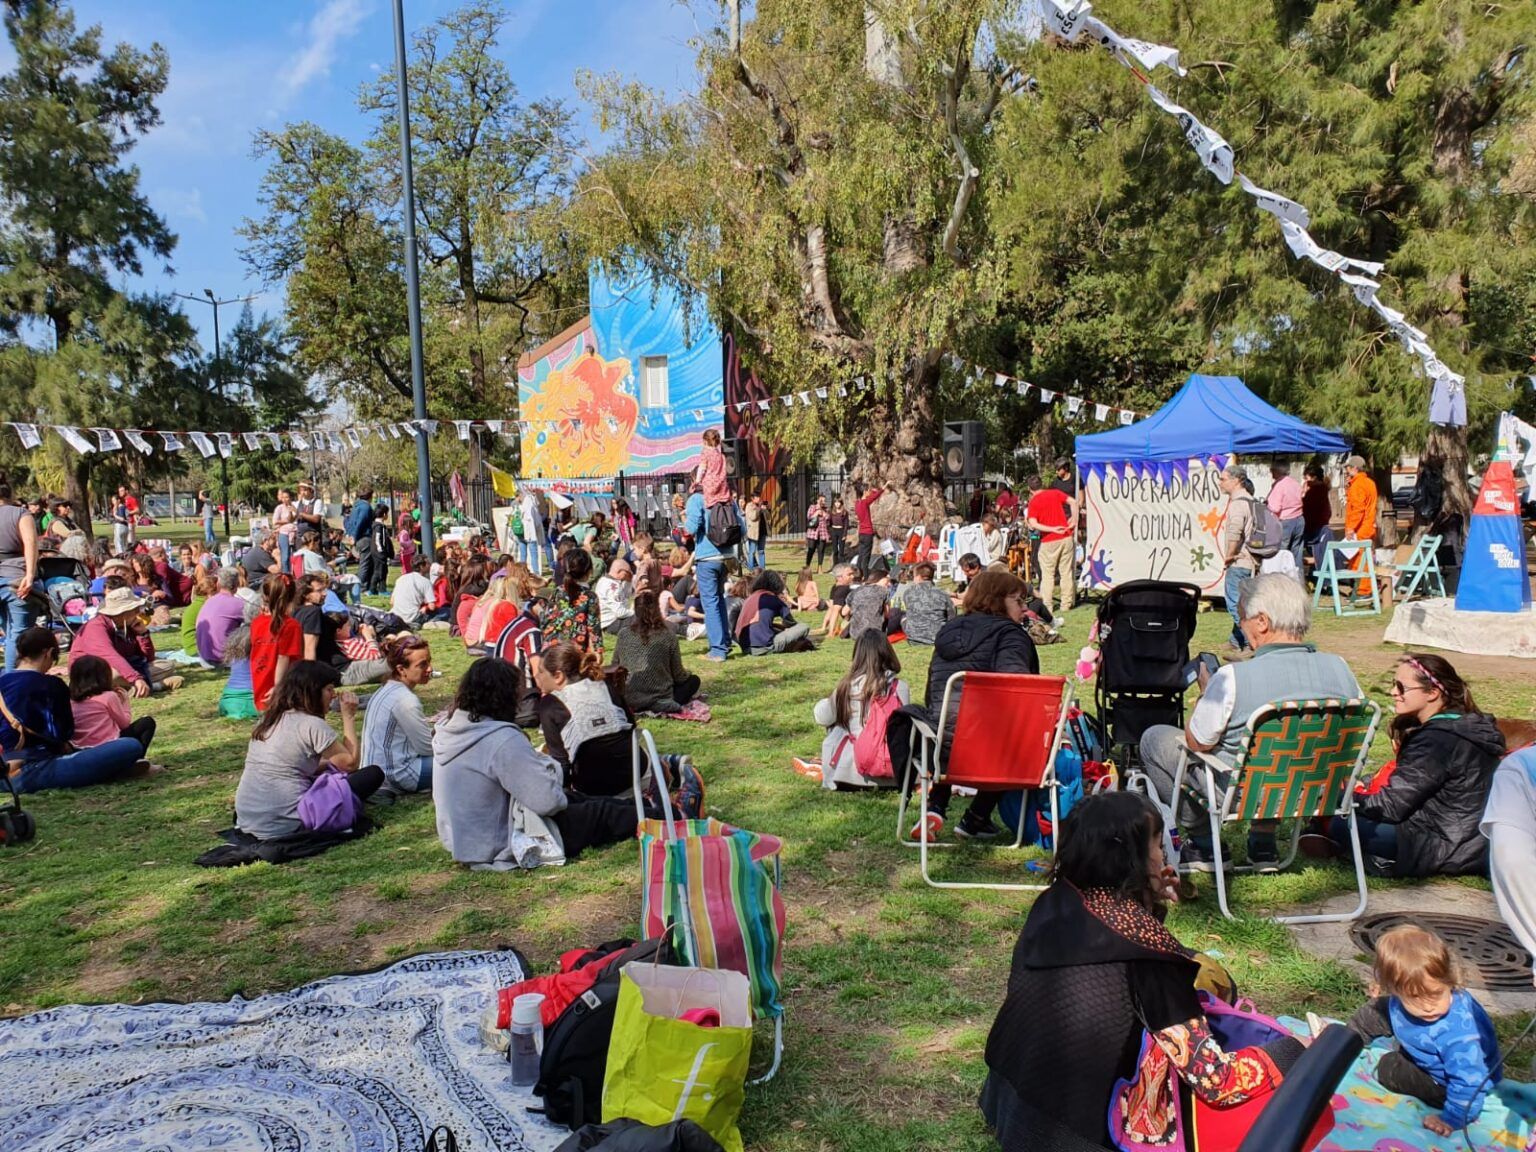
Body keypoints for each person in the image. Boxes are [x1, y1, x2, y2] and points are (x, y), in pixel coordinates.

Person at [980, 791, 1301, 1150]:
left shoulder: (1054, 901)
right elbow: (1214, 1078)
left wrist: (1148, 903)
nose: (1164, 856)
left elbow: (1110, 967)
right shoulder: (1148, 953)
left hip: (1010, 1102)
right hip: (1075, 1135)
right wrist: (1294, 1051)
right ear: (1130, 858)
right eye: (1158, 846)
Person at [1138, 572, 1360, 870]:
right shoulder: (1341, 669)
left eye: (1241, 617)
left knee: (1154, 739)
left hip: (1244, 794)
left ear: (1262, 622)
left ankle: (1205, 844)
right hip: (1316, 790)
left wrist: (1207, 695)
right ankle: (1263, 844)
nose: (1240, 626)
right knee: (1279, 754)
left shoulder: (1233, 679)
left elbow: (1197, 741)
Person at [1307, 653, 1503, 877]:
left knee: (1342, 824)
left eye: (1402, 687)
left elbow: (1389, 807)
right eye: (1393, 685)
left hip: (1441, 846)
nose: (1393, 693)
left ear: (1432, 693)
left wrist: (1334, 795)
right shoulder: (1470, 726)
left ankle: (1360, 850)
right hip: (1476, 843)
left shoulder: (1436, 741)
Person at [434, 658, 638, 869]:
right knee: (599, 812)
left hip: (462, 840)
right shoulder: (501, 739)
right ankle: (661, 816)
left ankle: (648, 807)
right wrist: (549, 771)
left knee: (585, 801)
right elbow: (548, 801)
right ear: (505, 697)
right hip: (503, 841)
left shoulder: (450, 732)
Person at [899, 570, 1040, 843]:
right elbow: (1020, 693)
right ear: (998, 600)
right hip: (990, 751)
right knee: (1017, 733)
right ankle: (975, 818)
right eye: (1019, 601)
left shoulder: (947, 633)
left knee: (959, 725)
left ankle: (938, 806)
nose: (1025, 609)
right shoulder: (1010, 636)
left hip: (940, 747)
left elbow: (932, 693)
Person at [1345, 924, 1500, 1139]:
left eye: (1436, 994)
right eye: (1415, 997)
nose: (1428, 1006)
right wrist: (1347, 1037)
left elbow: (1470, 1081)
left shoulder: (1460, 1034)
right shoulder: (1400, 1000)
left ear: (1450, 980)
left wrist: (1452, 1119)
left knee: (1389, 1066)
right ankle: (1343, 1041)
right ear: (1395, 989)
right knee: (1375, 1012)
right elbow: (1379, 1009)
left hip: (1445, 1084)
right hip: (1427, 1055)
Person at [233, 661, 383, 840]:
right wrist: (348, 717)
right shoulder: (311, 724)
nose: (334, 695)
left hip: (248, 819)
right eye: (329, 689)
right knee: (372, 774)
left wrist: (327, 765)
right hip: (289, 823)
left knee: (329, 771)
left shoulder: (269, 718)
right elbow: (350, 764)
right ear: (312, 691)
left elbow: (291, 763)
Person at [0, 627, 152, 791]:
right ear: (49, 653)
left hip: (4, 769)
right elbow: (63, 733)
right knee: (130, 746)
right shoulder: (52, 685)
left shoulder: (2, 683)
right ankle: (118, 769)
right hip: (37, 768)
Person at [534, 639, 635, 795]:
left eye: (541, 671)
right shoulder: (605, 686)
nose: (536, 676)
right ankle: (670, 764)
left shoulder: (549, 703)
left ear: (558, 676)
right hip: (637, 773)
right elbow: (632, 727)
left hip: (593, 788)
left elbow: (561, 763)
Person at [810, 630, 908, 789]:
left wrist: (828, 700)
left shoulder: (848, 687)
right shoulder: (900, 687)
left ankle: (831, 766)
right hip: (895, 770)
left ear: (858, 655)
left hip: (852, 776)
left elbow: (822, 717)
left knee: (837, 724)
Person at [360, 634, 436, 799]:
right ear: (401, 669)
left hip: (375, 771)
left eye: (429, 661)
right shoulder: (405, 700)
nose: (429, 668)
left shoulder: (385, 689)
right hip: (397, 775)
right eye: (423, 665)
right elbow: (428, 748)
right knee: (462, 759)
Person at [70, 586, 183, 695]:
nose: (137, 612)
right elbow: (110, 656)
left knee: (167, 665)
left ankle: (136, 687)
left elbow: (147, 658)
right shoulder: (95, 628)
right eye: (134, 609)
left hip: (124, 667)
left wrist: (143, 634)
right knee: (114, 674)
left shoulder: (127, 625)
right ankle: (150, 687)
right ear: (123, 612)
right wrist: (135, 678)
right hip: (89, 675)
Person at [613, 592, 701, 715]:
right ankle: (661, 702)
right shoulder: (668, 636)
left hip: (629, 696)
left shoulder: (623, 634)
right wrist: (688, 674)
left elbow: (615, 665)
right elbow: (679, 676)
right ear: (657, 609)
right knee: (694, 681)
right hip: (660, 698)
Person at [295, 573, 389, 685]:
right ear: (305, 594)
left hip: (341, 667)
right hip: (343, 671)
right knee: (398, 665)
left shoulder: (296, 612)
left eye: (324, 590)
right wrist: (312, 682)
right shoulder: (312, 613)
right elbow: (309, 649)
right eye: (319, 591)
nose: (324, 594)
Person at [684, 484, 742, 662]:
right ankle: (725, 641)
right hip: (726, 557)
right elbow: (742, 527)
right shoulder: (727, 498)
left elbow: (692, 528)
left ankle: (717, 650)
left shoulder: (697, 499)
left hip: (707, 557)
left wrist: (684, 521)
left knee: (710, 603)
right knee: (719, 599)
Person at [68, 654, 156, 754]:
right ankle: (136, 761)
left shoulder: (70, 700)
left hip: (80, 750)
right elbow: (124, 724)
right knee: (147, 722)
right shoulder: (108, 697)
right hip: (109, 746)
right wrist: (125, 701)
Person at [1216, 464, 1263, 650]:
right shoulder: (1252, 501)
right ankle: (1236, 641)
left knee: (1235, 605)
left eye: (1223, 479)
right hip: (1251, 561)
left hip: (1239, 562)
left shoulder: (1238, 504)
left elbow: (1235, 531)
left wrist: (1229, 555)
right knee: (1244, 603)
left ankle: (1255, 642)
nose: (1220, 483)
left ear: (1236, 481)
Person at [0, 479, 41, 672]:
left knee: (8, 633)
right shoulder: (20, 514)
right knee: (18, 634)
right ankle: (10, 682)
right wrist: (30, 575)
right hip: (17, 579)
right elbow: (30, 544)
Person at [250, 574, 303, 712]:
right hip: (286, 686)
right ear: (293, 597)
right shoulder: (291, 625)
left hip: (261, 681)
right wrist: (278, 688)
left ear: (264, 597)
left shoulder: (256, 623)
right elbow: (283, 658)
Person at [1025, 474, 1075, 617]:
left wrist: (1051, 529)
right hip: (1066, 537)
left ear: (1030, 489)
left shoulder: (1034, 502)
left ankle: (1048, 605)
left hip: (1049, 540)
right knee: (1066, 572)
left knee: (1047, 575)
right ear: (1042, 484)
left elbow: (1033, 524)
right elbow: (1073, 502)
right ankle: (1066, 604)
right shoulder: (1055, 493)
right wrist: (1074, 519)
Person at [734, 569, 812, 656]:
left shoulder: (749, 598)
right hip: (764, 647)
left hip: (745, 647)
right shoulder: (774, 599)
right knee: (803, 627)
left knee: (775, 629)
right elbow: (790, 624)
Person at [546, 547, 603, 654]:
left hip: (553, 647)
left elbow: (548, 618)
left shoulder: (557, 591)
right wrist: (598, 650)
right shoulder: (590, 596)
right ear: (589, 571)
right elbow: (594, 625)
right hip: (577, 649)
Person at [889, 561, 953, 645]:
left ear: (918, 577)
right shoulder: (942, 594)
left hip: (913, 637)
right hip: (938, 636)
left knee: (903, 615)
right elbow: (951, 617)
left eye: (914, 576)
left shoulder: (908, 593)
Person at [1343, 454, 1379, 598]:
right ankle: (1362, 587)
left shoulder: (1358, 485)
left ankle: (1364, 590)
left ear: (1355, 468)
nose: (1346, 471)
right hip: (1369, 526)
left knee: (1360, 560)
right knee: (1364, 558)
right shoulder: (1369, 482)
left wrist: (1351, 527)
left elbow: (1357, 509)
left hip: (1361, 528)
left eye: (1348, 468)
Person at [196, 567, 247, 666]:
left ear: (218, 584)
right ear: (237, 585)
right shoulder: (238, 604)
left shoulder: (209, 601)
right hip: (222, 659)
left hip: (204, 657)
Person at [1268, 463, 1306, 576]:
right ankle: (1298, 579)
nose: (1271, 474)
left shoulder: (1279, 485)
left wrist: (1267, 505)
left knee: (1281, 552)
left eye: (1272, 471)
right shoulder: (1295, 483)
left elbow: (1275, 507)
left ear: (1277, 471)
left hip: (1286, 520)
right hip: (1299, 519)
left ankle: (1280, 579)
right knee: (1297, 552)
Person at [468, 573, 521, 651]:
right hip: (494, 643)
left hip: (481, 640)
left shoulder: (488, 602)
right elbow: (513, 628)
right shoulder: (505, 606)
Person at [179, 567, 218, 665]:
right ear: (211, 592)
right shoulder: (206, 606)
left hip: (191, 646)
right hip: (196, 647)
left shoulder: (198, 604)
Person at [1302, 462, 1334, 580]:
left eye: (1306, 478)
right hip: (1321, 527)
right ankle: (1313, 575)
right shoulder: (1322, 490)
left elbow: (1307, 511)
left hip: (1314, 529)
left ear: (1313, 477)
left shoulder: (1314, 491)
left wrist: (1303, 494)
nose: (1305, 481)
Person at [845, 565, 891, 641]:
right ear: (880, 579)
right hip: (874, 633)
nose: (889, 584)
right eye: (887, 580)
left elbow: (844, 612)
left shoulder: (856, 590)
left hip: (855, 633)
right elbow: (887, 614)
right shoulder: (884, 592)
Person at [344, 489, 377, 595]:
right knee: (365, 563)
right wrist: (354, 535)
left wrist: (350, 534)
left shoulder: (355, 506)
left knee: (366, 562)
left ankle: (366, 585)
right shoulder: (366, 507)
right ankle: (361, 586)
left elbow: (350, 521)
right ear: (369, 496)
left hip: (358, 538)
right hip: (364, 537)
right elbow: (360, 522)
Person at [391, 556, 437, 628]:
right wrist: (425, 607)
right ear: (421, 566)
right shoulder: (426, 582)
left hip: (396, 615)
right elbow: (432, 607)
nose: (430, 565)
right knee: (445, 611)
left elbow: (392, 602)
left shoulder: (401, 578)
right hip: (414, 617)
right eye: (428, 563)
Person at [596, 558, 636, 634]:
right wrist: (634, 612)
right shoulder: (612, 586)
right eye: (627, 572)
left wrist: (628, 581)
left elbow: (627, 595)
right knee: (642, 618)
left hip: (608, 622)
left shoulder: (604, 580)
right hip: (612, 623)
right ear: (620, 571)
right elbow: (620, 613)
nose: (630, 574)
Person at [816, 563, 856, 638]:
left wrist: (825, 628)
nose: (852, 576)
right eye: (849, 574)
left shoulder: (840, 588)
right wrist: (828, 630)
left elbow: (833, 609)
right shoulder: (840, 588)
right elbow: (833, 609)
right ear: (839, 577)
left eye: (853, 574)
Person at [695, 427, 731, 507]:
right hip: (722, 486)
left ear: (705, 441)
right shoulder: (721, 455)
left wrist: (697, 480)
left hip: (710, 485)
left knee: (711, 509)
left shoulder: (706, 452)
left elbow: (702, 468)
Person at [853, 481, 882, 576]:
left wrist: (871, 490)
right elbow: (876, 495)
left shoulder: (857, 503)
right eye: (868, 490)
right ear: (865, 492)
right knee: (866, 557)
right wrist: (883, 487)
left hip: (861, 533)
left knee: (861, 555)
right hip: (867, 533)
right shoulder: (865, 502)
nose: (870, 491)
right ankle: (865, 576)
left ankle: (858, 574)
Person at [272, 488, 298, 571]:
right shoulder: (279, 508)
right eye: (283, 497)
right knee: (285, 556)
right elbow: (275, 521)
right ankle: (285, 574)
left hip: (294, 533)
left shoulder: (294, 506)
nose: (285, 499)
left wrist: (293, 511)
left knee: (293, 555)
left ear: (290, 498)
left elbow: (295, 518)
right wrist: (286, 521)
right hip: (284, 533)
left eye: (287, 497)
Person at [804, 494, 831, 571]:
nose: (823, 502)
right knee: (811, 549)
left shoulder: (826, 509)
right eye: (821, 500)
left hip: (823, 532)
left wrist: (824, 514)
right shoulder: (812, 507)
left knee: (821, 550)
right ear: (817, 500)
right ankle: (807, 565)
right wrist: (816, 513)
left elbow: (828, 520)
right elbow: (809, 517)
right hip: (813, 532)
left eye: (824, 501)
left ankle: (820, 567)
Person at [743, 495, 768, 571]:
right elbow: (753, 517)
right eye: (756, 497)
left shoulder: (760, 506)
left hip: (762, 532)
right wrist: (759, 509)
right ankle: (751, 570)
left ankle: (762, 570)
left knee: (761, 551)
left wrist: (766, 510)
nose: (759, 499)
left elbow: (768, 517)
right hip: (753, 533)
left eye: (759, 497)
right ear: (752, 498)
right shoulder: (749, 506)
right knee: (752, 552)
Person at [827, 497, 849, 565]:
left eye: (838, 502)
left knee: (841, 551)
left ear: (841, 503)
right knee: (835, 550)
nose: (837, 504)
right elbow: (829, 522)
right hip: (834, 531)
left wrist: (845, 534)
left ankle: (841, 565)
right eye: (836, 502)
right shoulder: (831, 511)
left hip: (841, 531)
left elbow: (846, 524)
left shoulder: (844, 512)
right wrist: (830, 532)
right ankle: (835, 565)